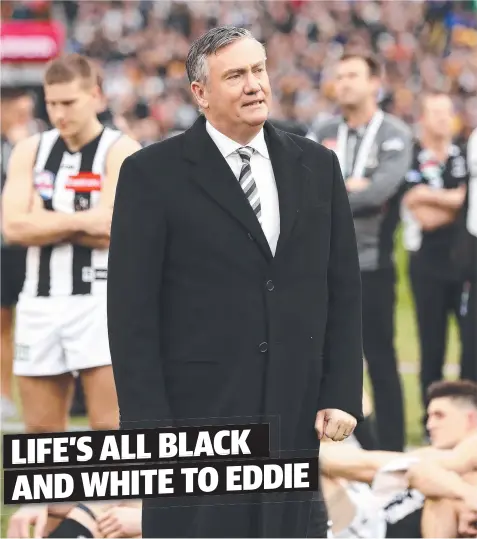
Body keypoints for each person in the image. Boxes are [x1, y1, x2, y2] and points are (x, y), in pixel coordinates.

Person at [107, 26, 364, 538]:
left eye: (258, 70)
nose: (254, 85)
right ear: (200, 94)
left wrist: (340, 391)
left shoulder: (317, 165)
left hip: (292, 408)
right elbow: (130, 313)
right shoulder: (150, 174)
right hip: (194, 416)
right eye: (236, 75)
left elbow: (343, 287)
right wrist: (149, 432)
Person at [1, 53, 141, 436]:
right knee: (42, 436)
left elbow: (115, 227)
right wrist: (84, 221)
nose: (59, 113)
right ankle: (62, 501)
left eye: (68, 102)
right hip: (39, 302)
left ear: (95, 96)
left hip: (101, 302)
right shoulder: (30, 150)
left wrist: (44, 221)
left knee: (109, 429)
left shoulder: (121, 149)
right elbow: (13, 227)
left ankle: (113, 501)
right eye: (51, 103)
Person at [307, 50, 413, 452]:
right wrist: (351, 187)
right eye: (339, 75)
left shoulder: (395, 133)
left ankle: (395, 451)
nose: (344, 82)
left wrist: (338, 192)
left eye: (353, 75)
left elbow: (383, 190)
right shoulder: (323, 129)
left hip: (371, 264)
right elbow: (304, 187)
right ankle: (361, 446)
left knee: (380, 359)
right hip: (322, 265)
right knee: (321, 356)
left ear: (375, 83)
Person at [320, 379, 477, 538]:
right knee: (318, 459)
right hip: (364, 514)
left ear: (471, 419)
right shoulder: (430, 457)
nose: (430, 425)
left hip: (371, 527)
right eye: (428, 417)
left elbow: (455, 460)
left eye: (439, 416)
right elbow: (418, 469)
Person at [401, 93, 470, 424]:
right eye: (437, 112)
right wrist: (458, 201)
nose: (445, 119)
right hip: (426, 264)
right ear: (423, 119)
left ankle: (468, 421)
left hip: (465, 263)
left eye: (449, 112)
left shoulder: (464, 154)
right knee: (432, 347)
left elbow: (464, 201)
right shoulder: (412, 156)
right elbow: (426, 218)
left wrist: (432, 196)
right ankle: (432, 421)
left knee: (470, 345)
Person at [0, 87, 41, 421]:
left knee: (33, 322)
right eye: (18, 111)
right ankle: (4, 396)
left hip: (30, 246)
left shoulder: (34, 142)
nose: (23, 118)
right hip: (4, 246)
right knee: (2, 323)